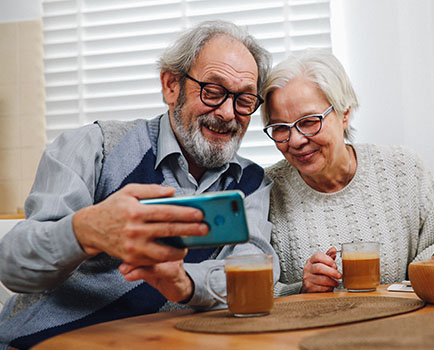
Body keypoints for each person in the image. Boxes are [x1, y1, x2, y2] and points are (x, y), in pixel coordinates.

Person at [0, 20, 278, 349]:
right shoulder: (93, 148)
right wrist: (84, 231)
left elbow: (256, 272)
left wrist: (184, 283)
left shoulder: (252, 184)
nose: (229, 113)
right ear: (171, 86)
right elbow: (13, 266)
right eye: (213, 91)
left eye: (244, 100)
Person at [261, 50, 434, 296]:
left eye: (309, 122)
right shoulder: (265, 191)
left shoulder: (404, 169)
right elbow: (250, 291)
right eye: (279, 128)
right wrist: (300, 288)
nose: (295, 140)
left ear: (345, 114)